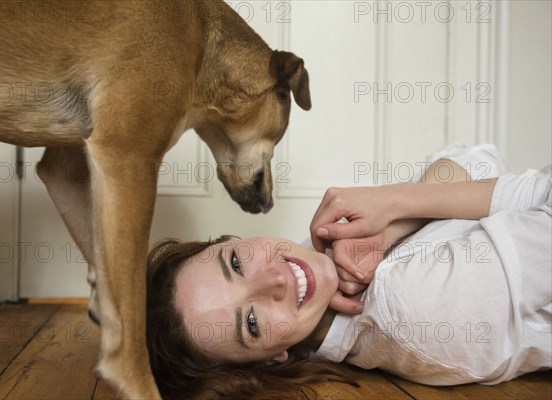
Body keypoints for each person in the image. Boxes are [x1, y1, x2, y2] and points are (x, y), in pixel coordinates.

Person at [145, 144, 551, 400]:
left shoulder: (325, 262)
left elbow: (478, 157)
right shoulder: (416, 307)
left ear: (229, 240)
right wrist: (398, 202)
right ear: (273, 360)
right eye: (251, 323)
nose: (276, 279)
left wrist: (390, 223)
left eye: (235, 263)